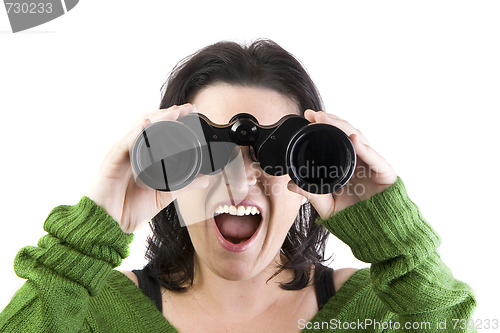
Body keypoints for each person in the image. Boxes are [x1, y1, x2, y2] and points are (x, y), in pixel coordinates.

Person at [0, 39, 476, 332]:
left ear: (311, 168)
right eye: (209, 153)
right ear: (169, 164)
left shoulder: (378, 311)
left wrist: (394, 241)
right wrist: (94, 230)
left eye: (273, 154)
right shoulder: (91, 311)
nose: (240, 178)